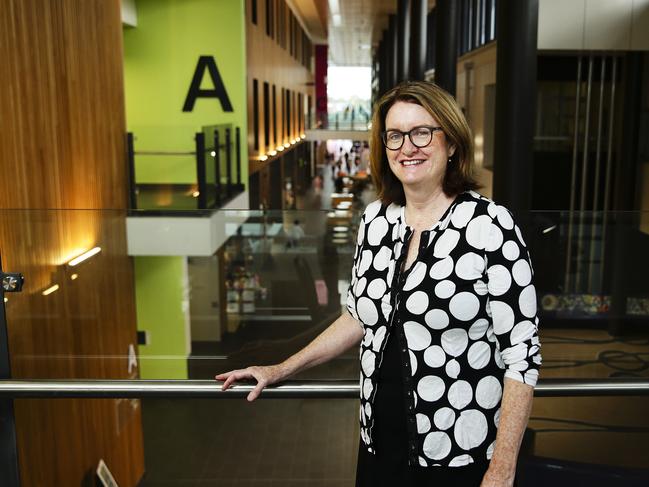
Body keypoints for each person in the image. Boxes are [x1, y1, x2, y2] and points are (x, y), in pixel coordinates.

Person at [216, 80, 541, 487]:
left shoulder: (491, 227)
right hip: (377, 449)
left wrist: (502, 468)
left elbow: (521, 353)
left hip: (458, 456)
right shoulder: (376, 220)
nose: (408, 147)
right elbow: (358, 316)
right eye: (395, 135)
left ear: (452, 143)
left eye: (422, 132)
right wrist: (280, 369)